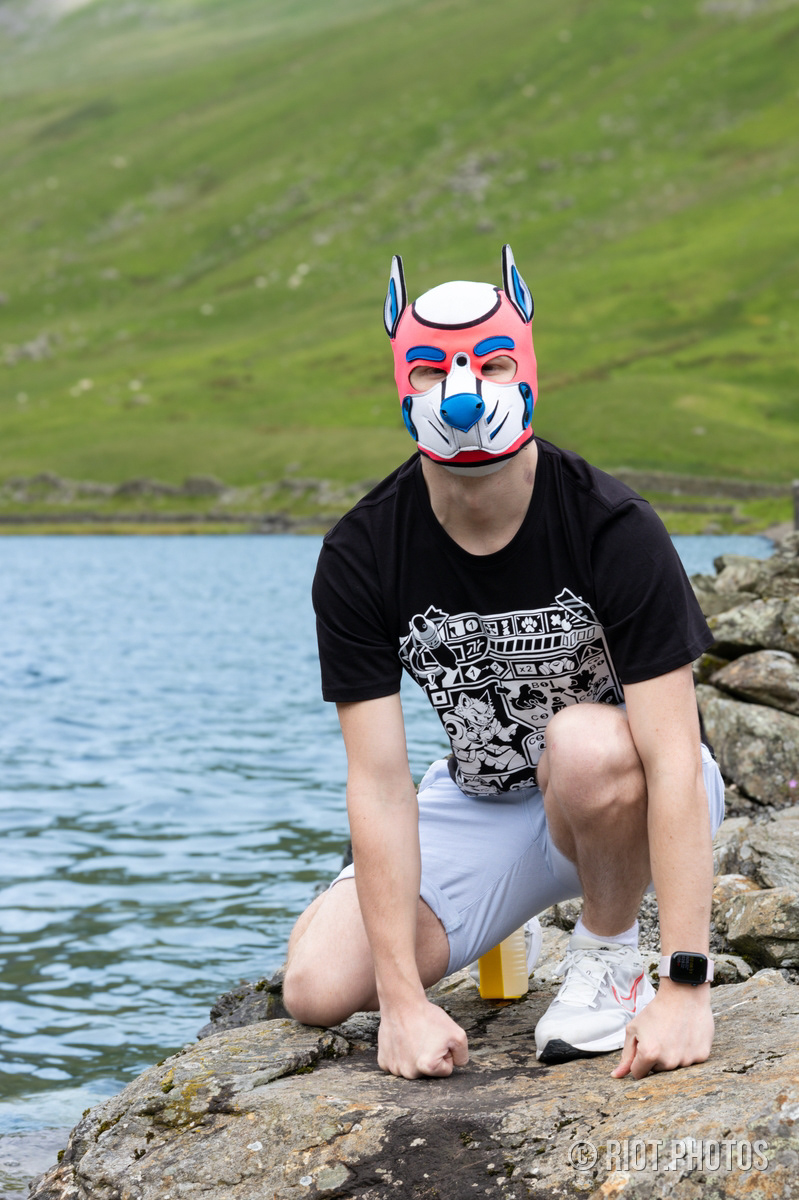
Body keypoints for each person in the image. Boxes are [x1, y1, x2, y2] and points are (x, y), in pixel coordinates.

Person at [282, 245, 725, 1082]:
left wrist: (686, 985)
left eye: (490, 364)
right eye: (429, 370)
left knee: (585, 746)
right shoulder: (361, 551)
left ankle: (608, 954)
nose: (460, 391)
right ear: (400, 380)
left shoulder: (612, 526)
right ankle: (499, 925)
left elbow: (671, 756)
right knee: (314, 987)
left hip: (622, 787)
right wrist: (402, 1002)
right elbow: (378, 782)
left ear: (525, 368)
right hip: (483, 797)